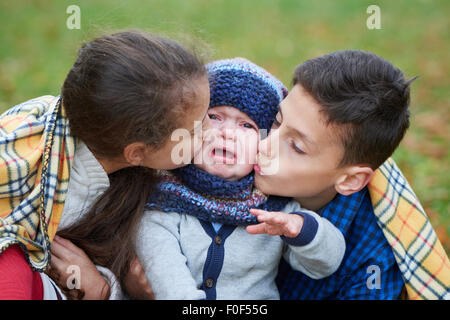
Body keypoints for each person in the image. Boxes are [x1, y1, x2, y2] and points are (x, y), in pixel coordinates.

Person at [0, 30, 211, 299]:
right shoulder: (49, 191)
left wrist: (105, 288)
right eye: (194, 131)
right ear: (136, 153)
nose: (211, 130)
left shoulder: (112, 143)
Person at [136, 58, 346, 299]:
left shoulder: (274, 211)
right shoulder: (162, 204)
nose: (228, 133)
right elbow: (172, 287)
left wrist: (301, 228)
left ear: (266, 143)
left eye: (247, 125)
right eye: (214, 117)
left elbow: (326, 263)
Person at [252, 50, 450, 299]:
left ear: (349, 180)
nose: (263, 145)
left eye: (296, 147)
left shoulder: (371, 263)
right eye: (277, 121)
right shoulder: (231, 155)